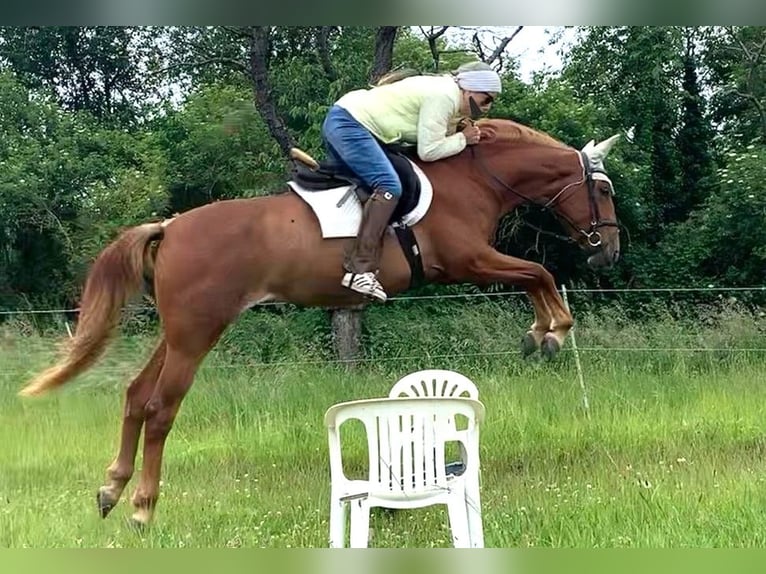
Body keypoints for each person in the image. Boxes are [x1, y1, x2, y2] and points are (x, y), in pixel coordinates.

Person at [321, 61, 502, 302]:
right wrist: (463, 139)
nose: (488, 107)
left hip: (351, 123)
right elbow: (429, 151)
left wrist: (458, 131)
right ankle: (359, 270)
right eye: (486, 99)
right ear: (471, 90)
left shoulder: (448, 96)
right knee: (389, 187)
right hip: (349, 125)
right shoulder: (444, 96)